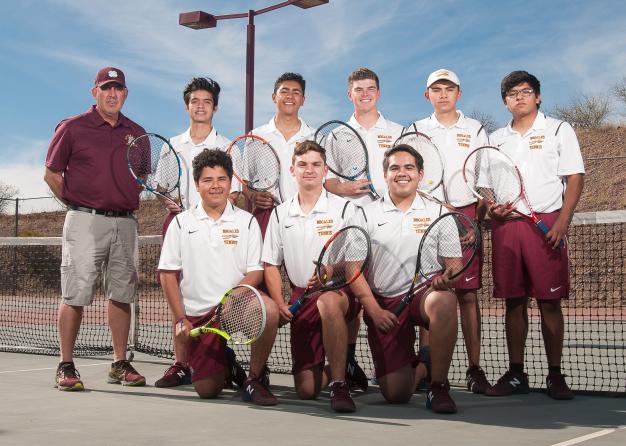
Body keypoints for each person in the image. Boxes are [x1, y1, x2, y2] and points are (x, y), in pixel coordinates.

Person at [45, 66, 147, 390]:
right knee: (76, 292)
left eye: (118, 89)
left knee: (122, 294)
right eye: (106, 88)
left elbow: (142, 177)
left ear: (126, 94)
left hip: (126, 223)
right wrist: (78, 206)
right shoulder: (72, 127)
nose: (112, 94)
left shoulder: (138, 133)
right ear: (95, 93)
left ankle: (119, 363)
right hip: (85, 221)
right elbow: (52, 174)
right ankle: (66, 365)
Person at [485, 70, 584, 400]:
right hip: (506, 227)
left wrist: (563, 222)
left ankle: (555, 374)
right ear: (505, 102)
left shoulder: (558, 128)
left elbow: (574, 177)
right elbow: (486, 186)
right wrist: (491, 207)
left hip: (547, 223)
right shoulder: (496, 138)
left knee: (549, 302)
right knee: (513, 302)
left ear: (537, 96)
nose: (519, 97)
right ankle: (516, 374)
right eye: (512, 94)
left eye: (526, 92)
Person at [158, 149, 279, 405]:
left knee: (268, 310)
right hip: (199, 317)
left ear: (230, 183)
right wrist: (180, 319)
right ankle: (227, 363)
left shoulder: (247, 221)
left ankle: (254, 379)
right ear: (197, 185)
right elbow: (168, 275)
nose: (216, 186)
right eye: (208, 180)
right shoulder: (181, 223)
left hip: (235, 308)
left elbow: (256, 271)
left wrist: (231, 297)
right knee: (207, 389)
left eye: (222, 179)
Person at [348, 144, 459, 414]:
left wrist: (447, 279)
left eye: (409, 167)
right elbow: (353, 270)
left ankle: (439, 387)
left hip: (423, 295)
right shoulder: (364, 214)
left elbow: (454, 265)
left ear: (420, 174)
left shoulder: (439, 212)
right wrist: (374, 311)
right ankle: (422, 365)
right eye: (395, 167)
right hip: (385, 304)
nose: (402, 173)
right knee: (397, 394)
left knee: (444, 300)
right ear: (385, 175)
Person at [154, 77, 244, 389]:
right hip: (180, 227)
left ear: (215, 107)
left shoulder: (228, 146)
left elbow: (235, 194)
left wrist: (214, 209)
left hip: (219, 230)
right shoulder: (172, 146)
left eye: (207, 101)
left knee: (219, 292)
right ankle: (181, 364)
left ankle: (220, 356)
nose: (201, 106)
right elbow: (162, 189)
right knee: (179, 294)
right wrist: (169, 202)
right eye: (195, 101)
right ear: (187, 106)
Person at [408, 68, 490, 394]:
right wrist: (437, 207)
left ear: (459, 93)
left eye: (449, 89)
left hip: (466, 217)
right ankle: (426, 364)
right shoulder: (415, 130)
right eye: (436, 89)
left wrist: (475, 220)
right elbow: (410, 173)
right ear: (427, 95)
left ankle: (474, 369)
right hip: (428, 215)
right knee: (430, 292)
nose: (443, 94)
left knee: (468, 296)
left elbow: (484, 183)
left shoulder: (476, 129)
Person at [262, 141, 361, 412]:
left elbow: (357, 260)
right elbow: (271, 264)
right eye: (303, 165)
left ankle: (339, 384)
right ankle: (343, 370)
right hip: (300, 295)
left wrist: (330, 270)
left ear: (325, 169)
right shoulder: (281, 213)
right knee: (306, 390)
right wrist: (280, 302)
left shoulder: (344, 209)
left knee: (328, 302)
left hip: (338, 292)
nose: (309, 170)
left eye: (316, 164)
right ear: (292, 170)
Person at [324, 67, 403, 389]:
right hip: (351, 223)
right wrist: (344, 189)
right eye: (359, 89)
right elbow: (326, 179)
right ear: (350, 95)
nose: (365, 94)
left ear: (379, 93)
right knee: (352, 295)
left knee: (387, 291)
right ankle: (350, 360)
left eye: (370, 88)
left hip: (390, 225)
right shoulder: (337, 133)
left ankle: (399, 360)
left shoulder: (398, 130)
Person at [247, 72, 314, 235]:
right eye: (284, 91)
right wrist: (253, 196)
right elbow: (244, 181)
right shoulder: (255, 136)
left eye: (296, 92)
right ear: (274, 97)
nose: (290, 96)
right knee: (265, 262)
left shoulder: (315, 137)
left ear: (303, 100)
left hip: (307, 216)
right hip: (266, 216)